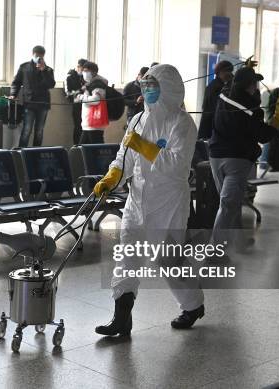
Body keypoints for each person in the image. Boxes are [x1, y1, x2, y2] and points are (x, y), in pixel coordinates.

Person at [92, 64, 205, 336]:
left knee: (168, 259)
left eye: (152, 86)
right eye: (145, 86)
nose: (146, 91)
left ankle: (193, 305)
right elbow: (125, 158)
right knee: (128, 255)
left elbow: (178, 166)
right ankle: (121, 319)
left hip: (168, 201)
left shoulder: (182, 123)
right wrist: (113, 175)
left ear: (168, 89)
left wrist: (144, 147)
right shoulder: (138, 120)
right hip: (137, 199)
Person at [209, 66, 277, 246]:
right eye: (255, 82)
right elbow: (262, 135)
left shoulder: (222, 96)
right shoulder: (252, 109)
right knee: (229, 204)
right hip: (236, 160)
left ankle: (237, 240)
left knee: (231, 202)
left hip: (215, 156)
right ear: (249, 85)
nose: (257, 86)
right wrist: (275, 124)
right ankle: (214, 252)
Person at [10, 45, 56, 147]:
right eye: (37, 56)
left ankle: (37, 152)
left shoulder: (48, 70)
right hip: (29, 103)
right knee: (27, 130)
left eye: (41, 57)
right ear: (32, 54)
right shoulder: (24, 67)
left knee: (39, 131)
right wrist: (13, 94)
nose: (38, 58)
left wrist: (43, 70)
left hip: (43, 104)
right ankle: (21, 152)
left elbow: (51, 84)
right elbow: (16, 83)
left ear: (43, 56)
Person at [198, 60, 234, 140]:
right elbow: (217, 108)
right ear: (220, 72)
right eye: (227, 71)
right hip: (210, 129)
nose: (230, 74)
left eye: (230, 71)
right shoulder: (218, 87)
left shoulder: (214, 84)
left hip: (208, 128)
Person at [74, 62, 108, 144]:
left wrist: (81, 97)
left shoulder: (98, 84)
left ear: (94, 72)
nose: (84, 73)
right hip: (89, 123)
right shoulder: (90, 83)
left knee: (96, 150)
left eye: (86, 71)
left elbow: (96, 100)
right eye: (83, 71)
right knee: (83, 149)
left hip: (94, 122)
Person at [64, 58, 87, 144]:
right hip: (77, 105)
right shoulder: (70, 77)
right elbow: (69, 94)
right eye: (83, 69)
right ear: (78, 67)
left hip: (87, 105)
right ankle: (77, 147)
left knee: (86, 128)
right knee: (78, 127)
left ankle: (85, 147)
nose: (84, 72)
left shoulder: (85, 77)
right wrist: (81, 90)